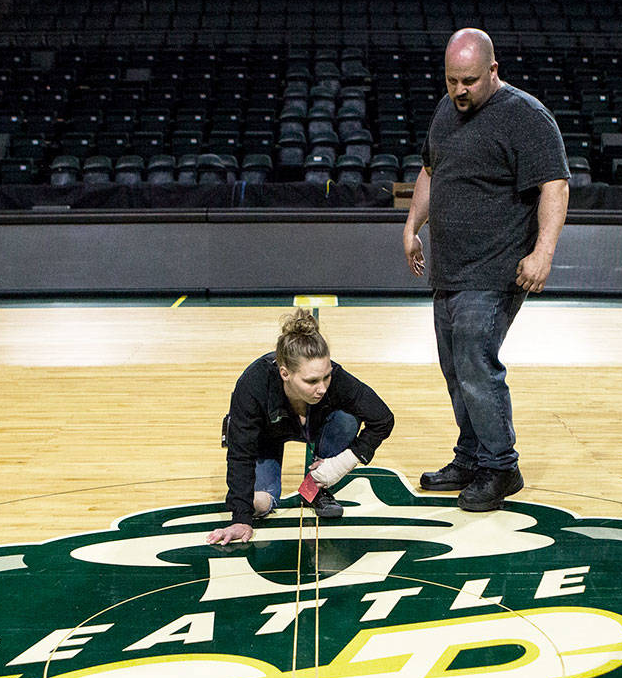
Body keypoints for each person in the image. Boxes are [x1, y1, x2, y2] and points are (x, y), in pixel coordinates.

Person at [402, 27, 570, 512]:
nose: (459, 91)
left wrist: (543, 253)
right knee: (456, 370)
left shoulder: (525, 115)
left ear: (493, 70)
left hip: (495, 271)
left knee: (476, 365)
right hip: (449, 270)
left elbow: (554, 187)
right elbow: (431, 172)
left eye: (469, 81)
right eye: (452, 80)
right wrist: (412, 225)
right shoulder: (445, 110)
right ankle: (471, 456)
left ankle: (501, 467)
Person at [206, 309, 394, 544]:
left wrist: (341, 463)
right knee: (260, 504)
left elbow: (383, 418)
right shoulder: (253, 385)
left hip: (318, 426)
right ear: (285, 373)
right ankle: (262, 499)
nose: (323, 387)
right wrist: (241, 518)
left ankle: (314, 488)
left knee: (346, 419)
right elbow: (240, 454)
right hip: (266, 436)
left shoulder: (336, 380)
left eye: (326, 376)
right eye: (312, 381)